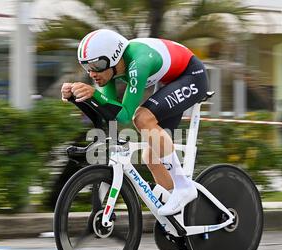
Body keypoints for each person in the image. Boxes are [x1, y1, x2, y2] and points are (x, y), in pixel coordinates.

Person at [61, 29, 209, 215]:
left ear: (114, 58)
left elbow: (124, 115)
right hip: (169, 81)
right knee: (152, 157)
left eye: (96, 65)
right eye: (87, 67)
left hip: (191, 75)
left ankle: (183, 186)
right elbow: (111, 113)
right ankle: (180, 215)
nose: (92, 73)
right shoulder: (107, 70)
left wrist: (94, 94)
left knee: (142, 118)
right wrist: (79, 97)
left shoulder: (139, 64)